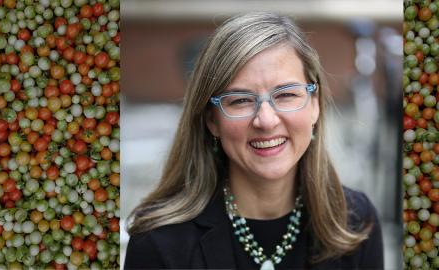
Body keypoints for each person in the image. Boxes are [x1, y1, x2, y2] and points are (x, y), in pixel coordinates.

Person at [124, 12, 384, 270]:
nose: (266, 120)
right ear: (211, 120)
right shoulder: (158, 241)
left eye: (285, 95)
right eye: (240, 100)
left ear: (314, 105)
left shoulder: (356, 222)